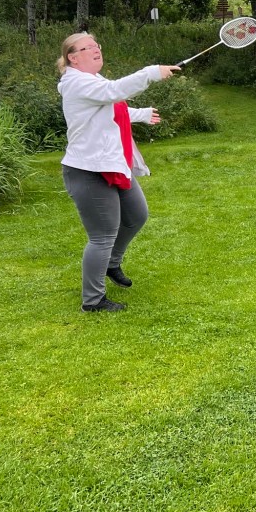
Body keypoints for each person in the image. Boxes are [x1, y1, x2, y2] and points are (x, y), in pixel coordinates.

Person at [57, 33, 181, 312]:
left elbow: (110, 109)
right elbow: (114, 92)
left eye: (96, 45)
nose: (96, 49)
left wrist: (141, 114)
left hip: (111, 163)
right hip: (88, 170)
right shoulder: (76, 82)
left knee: (137, 215)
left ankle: (111, 263)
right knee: (102, 236)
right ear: (72, 58)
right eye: (87, 47)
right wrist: (151, 72)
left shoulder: (93, 80)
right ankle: (93, 300)